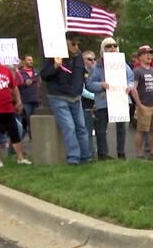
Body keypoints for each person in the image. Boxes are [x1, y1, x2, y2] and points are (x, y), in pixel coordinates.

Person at [40, 33, 91, 165]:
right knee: (69, 127)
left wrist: (80, 88)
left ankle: (86, 157)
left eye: (77, 44)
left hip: (75, 97)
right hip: (58, 96)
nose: (76, 46)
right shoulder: (54, 56)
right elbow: (44, 75)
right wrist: (56, 66)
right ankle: (74, 158)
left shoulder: (78, 57)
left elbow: (82, 75)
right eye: (73, 44)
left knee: (81, 128)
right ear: (66, 44)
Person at [86, 38, 134, 160]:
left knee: (121, 128)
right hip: (103, 101)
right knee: (101, 129)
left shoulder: (123, 64)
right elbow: (90, 84)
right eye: (108, 46)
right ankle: (103, 154)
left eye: (114, 45)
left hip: (120, 99)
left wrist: (129, 87)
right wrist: (100, 85)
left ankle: (121, 153)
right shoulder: (97, 66)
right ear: (103, 49)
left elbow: (131, 79)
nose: (112, 48)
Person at [131, 45, 153, 159]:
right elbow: (133, 88)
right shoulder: (137, 71)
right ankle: (139, 154)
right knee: (141, 130)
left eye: (151, 53)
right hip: (144, 105)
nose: (150, 55)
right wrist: (139, 105)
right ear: (140, 57)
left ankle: (152, 152)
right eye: (146, 53)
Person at [16, 54, 41, 140]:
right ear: (24, 61)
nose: (31, 61)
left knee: (34, 120)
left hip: (36, 99)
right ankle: (21, 137)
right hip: (25, 99)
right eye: (29, 60)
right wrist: (24, 84)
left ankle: (34, 137)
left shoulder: (36, 72)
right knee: (26, 120)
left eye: (31, 59)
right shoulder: (19, 73)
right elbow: (16, 85)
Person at [81, 51, 97, 157]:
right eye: (89, 59)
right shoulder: (80, 73)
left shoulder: (96, 73)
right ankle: (89, 154)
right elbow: (82, 91)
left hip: (98, 106)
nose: (92, 61)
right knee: (87, 131)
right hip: (85, 106)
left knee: (99, 131)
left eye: (94, 59)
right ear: (83, 60)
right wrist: (97, 97)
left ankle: (97, 152)